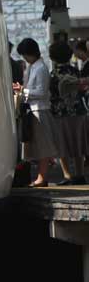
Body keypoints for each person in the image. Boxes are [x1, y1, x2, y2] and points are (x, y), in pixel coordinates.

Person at [14, 38, 59, 187]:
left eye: (25, 54)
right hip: (34, 110)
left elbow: (41, 92)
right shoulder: (34, 67)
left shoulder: (40, 68)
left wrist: (23, 90)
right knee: (39, 146)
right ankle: (41, 176)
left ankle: (42, 177)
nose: (24, 58)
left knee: (43, 147)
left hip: (40, 110)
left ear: (31, 53)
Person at [48, 41, 87, 185]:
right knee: (78, 143)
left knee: (62, 144)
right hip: (78, 111)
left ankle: (67, 175)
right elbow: (82, 91)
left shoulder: (54, 74)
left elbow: (51, 94)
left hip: (61, 113)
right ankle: (80, 174)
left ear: (53, 57)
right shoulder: (75, 71)